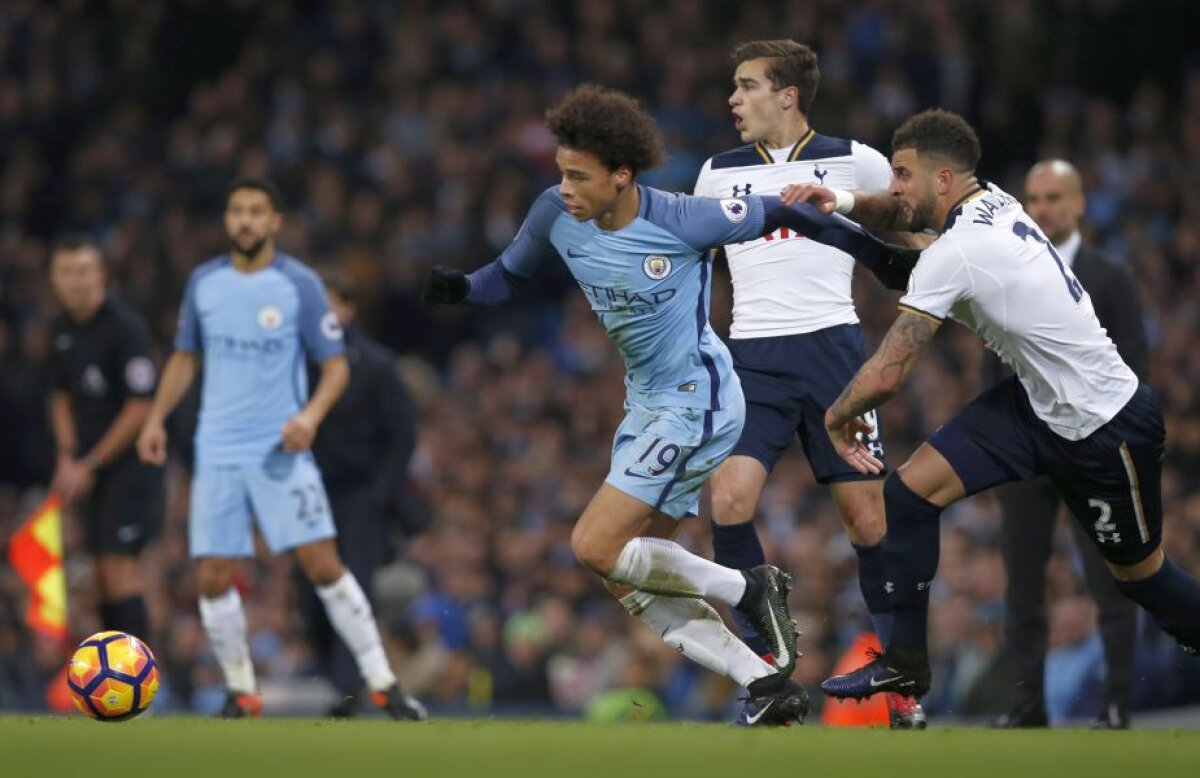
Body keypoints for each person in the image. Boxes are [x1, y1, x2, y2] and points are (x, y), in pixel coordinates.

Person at [421, 84, 918, 725]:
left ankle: (748, 587)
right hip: (646, 402)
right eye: (561, 172)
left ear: (622, 175)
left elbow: (797, 214)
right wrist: (461, 287)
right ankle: (763, 682)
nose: (565, 187)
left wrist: (878, 257)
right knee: (630, 573)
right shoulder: (555, 211)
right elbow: (510, 274)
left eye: (580, 175)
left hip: (699, 398)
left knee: (593, 544)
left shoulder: (686, 218)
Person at [780, 109, 1200, 705]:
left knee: (1140, 576)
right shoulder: (992, 201)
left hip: (1107, 426)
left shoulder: (962, 251)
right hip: (1035, 405)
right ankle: (904, 663)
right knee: (905, 496)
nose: (894, 187)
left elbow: (889, 372)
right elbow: (901, 220)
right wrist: (841, 202)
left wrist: (834, 416)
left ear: (943, 179)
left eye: (902, 174)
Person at [692, 39, 923, 729]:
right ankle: (769, 673)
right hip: (752, 358)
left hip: (834, 355)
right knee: (728, 501)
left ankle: (905, 682)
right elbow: (692, 264)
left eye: (746, 86)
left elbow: (913, 244)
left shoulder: (858, 162)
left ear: (786, 95)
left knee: (870, 520)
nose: (733, 99)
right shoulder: (715, 172)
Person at [136, 179, 426, 721]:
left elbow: (336, 366)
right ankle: (239, 688)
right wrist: (155, 417)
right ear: (228, 220)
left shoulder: (300, 284)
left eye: (256, 212)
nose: (246, 220)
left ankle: (383, 681)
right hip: (218, 448)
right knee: (213, 574)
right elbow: (183, 357)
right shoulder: (205, 283)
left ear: (275, 223)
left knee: (324, 565)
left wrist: (310, 417)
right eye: (237, 211)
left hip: (279, 450)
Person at [990, 160, 1147, 730]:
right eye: (1033, 197)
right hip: (1028, 455)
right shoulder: (1008, 279)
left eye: (1054, 197)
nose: (1043, 208)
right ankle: (1027, 705)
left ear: (1079, 204)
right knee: (1022, 585)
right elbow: (998, 374)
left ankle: (1117, 705)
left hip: (1093, 455)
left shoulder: (1109, 277)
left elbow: (1135, 369)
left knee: (1112, 580)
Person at [299, 270, 423, 717]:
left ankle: (348, 691)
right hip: (309, 495)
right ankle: (338, 678)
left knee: (353, 588)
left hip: (359, 497)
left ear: (348, 309)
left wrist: (382, 491)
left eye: (329, 305)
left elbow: (403, 434)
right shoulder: (300, 364)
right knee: (306, 594)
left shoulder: (375, 365)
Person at [47, 235, 163, 640]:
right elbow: (60, 395)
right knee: (97, 574)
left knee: (119, 567)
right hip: (88, 470)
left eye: (82, 271)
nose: (74, 281)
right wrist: (66, 456)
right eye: (65, 272)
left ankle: (142, 683)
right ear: (54, 278)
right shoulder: (60, 329)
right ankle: (115, 680)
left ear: (101, 274)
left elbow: (139, 406)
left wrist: (89, 463)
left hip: (130, 467)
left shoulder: (125, 328)